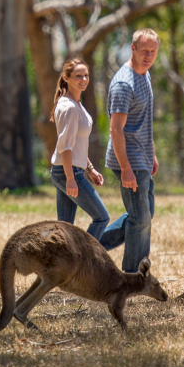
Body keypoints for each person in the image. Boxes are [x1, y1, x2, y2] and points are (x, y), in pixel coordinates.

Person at [99, 28, 160, 272]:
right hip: (128, 159)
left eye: (153, 51)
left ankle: (89, 248)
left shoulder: (145, 75)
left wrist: (151, 153)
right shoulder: (123, 84)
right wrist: (126, 169)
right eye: (144, 50)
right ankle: (134, 275)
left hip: (142, 157)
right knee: (140, 219)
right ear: (132, 48)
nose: (148, 56)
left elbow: (143, 120)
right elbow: (116, 130)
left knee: (144, 215)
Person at [49, 58, 110, 239]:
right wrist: (70, 178)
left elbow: (77, 145)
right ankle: (85, 258)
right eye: (78, 76)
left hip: (71, 170)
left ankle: (62, 265)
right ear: (66, 78)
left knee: (65, 228)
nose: (83, 79)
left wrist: (90, 168)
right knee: (101, 217)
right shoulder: (69, 108)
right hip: (68, 172)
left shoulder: (76, 104)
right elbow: (65, 147)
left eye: (86, 75)